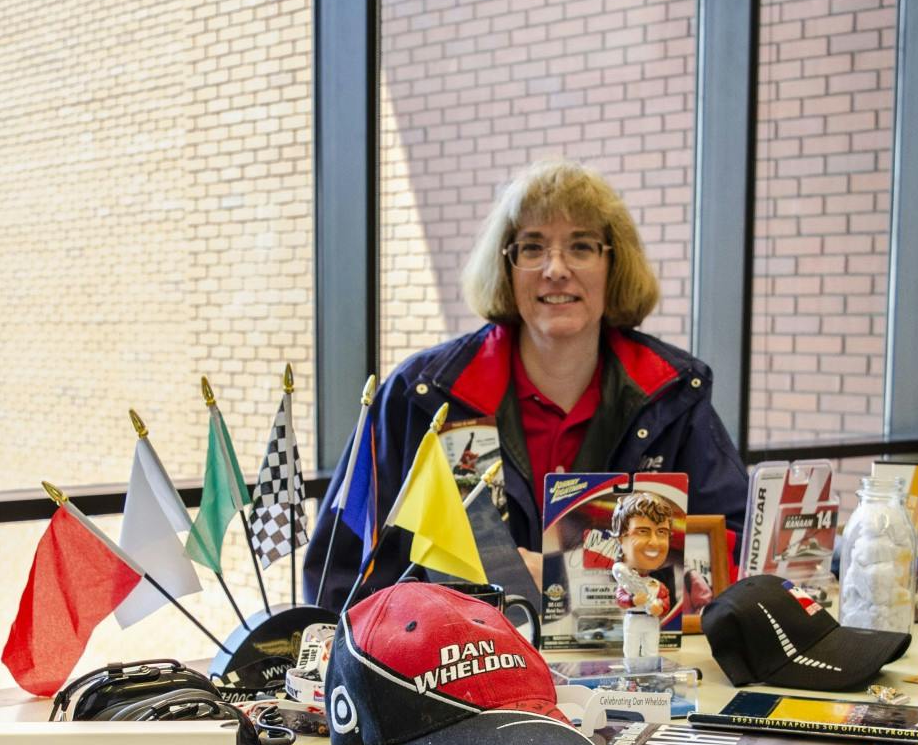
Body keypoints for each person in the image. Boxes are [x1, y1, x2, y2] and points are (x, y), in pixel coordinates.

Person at [304, 158, 748, 605]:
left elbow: (731, 554)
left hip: (631, 662)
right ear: (507, 268)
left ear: (614, 264)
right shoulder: (420, 394)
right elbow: (341, 573)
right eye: (532, 248)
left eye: (581, 247)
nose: (555, 269)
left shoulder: (672, 395)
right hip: (457, 664)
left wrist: (572, 580)